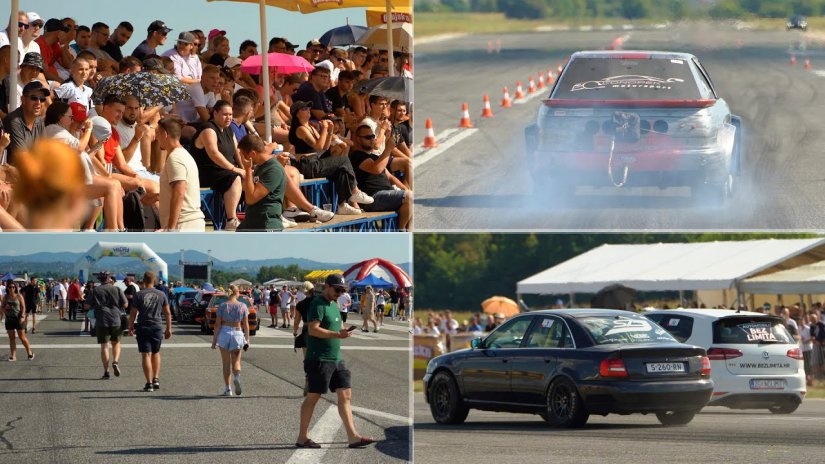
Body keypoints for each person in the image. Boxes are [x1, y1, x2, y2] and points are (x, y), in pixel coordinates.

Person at [295, 274, 375, 449]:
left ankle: (353, 436)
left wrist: (343, 331)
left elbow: (336, 327)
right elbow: (314, 330)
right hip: (319, 358)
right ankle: (302, 437)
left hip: (336, 358)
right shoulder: (318, 304)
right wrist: (338, 334)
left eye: (343, 290)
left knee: (345, 394)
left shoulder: (334, 304)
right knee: (313, 397)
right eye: (337, 289)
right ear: (327, 286)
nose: (340, 293)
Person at [288, 101, 372, 215]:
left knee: (341, 170)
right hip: (307, 164)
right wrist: (325, 130)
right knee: (343, 160)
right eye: (304, 109)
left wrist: (330, 130)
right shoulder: (300, 129)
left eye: (308, 108)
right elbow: (318, 147)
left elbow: (325, 147)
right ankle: (355, 191)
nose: (308, 110)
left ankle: (342, 205)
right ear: (297, 114)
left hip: (314, 162)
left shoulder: (311, 127)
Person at [350, 119, 413, 230]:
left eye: (373, 136)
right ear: (358, 139)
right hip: (373, 197)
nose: (372, 139)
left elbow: (390, 177)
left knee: (413, 197)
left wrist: (406, 190)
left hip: (387, 194)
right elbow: (377, 169)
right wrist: (388, 148)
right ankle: (401, 231)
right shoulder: (357, 156)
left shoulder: (375, 157)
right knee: (410, 197)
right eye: (367, 137)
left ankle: (408, 231)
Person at [190, 100, 243, 230]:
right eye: (225, 114)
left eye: (230, 114)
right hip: (207, 172)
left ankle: (258, 216)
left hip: (224, 171)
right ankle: (231, 220)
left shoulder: (229, 130)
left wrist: (244, 168)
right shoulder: (208, 129)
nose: (229, 117)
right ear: (215, 113)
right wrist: (235, 169)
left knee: (254, 177)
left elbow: (237, 151)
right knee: (235, 177)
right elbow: (214, 153)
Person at [156, 118, 206, 231]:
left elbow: (179, 193)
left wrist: (171, 228)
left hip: (183, 226)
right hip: (189, 224)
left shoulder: (175, 158)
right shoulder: (184, 155)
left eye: (158, 133)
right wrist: (156, 197)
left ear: (165, 134)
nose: (156, 137)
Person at [128, 271, 172, 392]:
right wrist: (169, 328)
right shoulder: (162, 294)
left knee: (146, 354)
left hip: (143, 326)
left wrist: (130, 326)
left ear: (144, 280)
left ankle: (149, 383)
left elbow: (133, 312)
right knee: (156, 353)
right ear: (154, 280)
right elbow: (167, 313)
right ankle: (156, 379)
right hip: (157, 326)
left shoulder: (138, 295)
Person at [236, 134, 286, 231]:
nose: (242, 158)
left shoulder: (273, 170)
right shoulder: (259, 167)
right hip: (251, 223)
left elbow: (251, 198)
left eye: (244, 155)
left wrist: (248, 169)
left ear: (253, 154)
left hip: (266, 224)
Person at [211, 284, 249, 396]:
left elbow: (217, 325)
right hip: (237, 332)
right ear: (237, 293)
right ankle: (237, 377)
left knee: (226, 363)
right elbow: (246, 325)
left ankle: (228, 389)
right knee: (236, 361)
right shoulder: (243, 306)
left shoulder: (222, 306)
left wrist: (214, 341)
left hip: (224, 332)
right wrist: (247, 339)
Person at [89, 272, 128, 379]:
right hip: (116, 319)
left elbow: (87, 305)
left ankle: (106, 371)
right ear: (109, 279)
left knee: (104, 346)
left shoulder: (95, 290)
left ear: (99, 279)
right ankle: (115, 361)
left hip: (102, 320)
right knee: (116, 343)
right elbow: (125, 304)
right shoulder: (117, 289)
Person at [4, 80, 47, 165]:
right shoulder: (14, 121)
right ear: (23, 99)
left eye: (42, 99)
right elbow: (23, 159)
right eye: (34, 98)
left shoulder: (39, 120)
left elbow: (45, 151)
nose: (38, 102)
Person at [3, 282, 34, 361]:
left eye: (13, 287)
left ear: (15, 288)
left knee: (22, 337)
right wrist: (5, 310)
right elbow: (2, 307)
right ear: (8, 288)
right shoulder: (5, 297)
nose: (12, 288)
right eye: (10, 287)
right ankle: (13, 356)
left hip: (18, 318)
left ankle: (30, 353)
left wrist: (22, 316)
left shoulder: (19, 296)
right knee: (12, 338)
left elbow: (23, 307)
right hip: (9, 319)